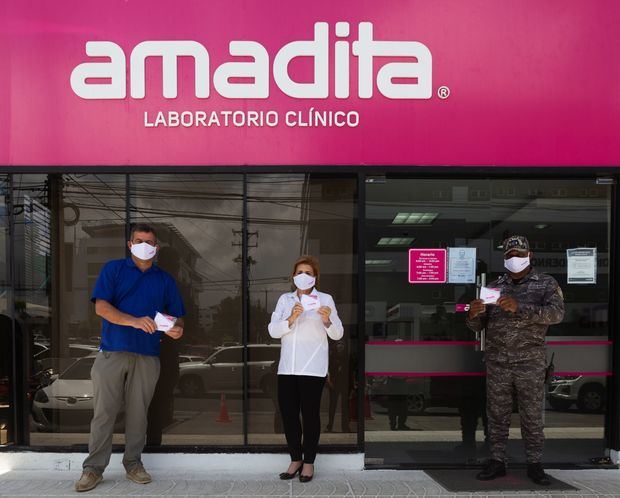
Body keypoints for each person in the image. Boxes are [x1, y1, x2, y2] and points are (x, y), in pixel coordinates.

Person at [75, 224, 185, 493]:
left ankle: (133, 464)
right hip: (113, 350)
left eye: (149, 242)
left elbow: (178, 321)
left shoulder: (165, 280)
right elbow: (101, 307)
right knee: (104, 414)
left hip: (148, 356)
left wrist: (175, 329)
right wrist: (134, 321)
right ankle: (92, 469)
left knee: (139, 415)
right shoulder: (114, 269)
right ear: (130, 244)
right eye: (139, 240)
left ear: (156, 248)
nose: (144, 245)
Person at [466, 235, 564, 486]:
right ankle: (497, 462)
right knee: (496, 415)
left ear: (529, 255)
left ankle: (535, 464)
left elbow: (556, 315)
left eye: (519, 254)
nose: (514, 259)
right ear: (504, 258)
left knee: (531, 416)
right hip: (498, 361)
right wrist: (473, 315)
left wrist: (519, 307)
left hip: (529, 363)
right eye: (510, 255)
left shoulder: (545, 284)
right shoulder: (494, 286)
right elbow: (480, 325)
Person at [268, 255, 344, 483]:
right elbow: (273, 331)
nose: (303, 276)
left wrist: (328, 320)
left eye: (308, 273)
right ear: (293, 277)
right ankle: (295, 459)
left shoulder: (326, 299)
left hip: (313, 369)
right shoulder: (285, 300)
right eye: (299, 272)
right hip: (287, 369)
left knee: (310, 416)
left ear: (315, 277)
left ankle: (309, 462)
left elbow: (338, 334)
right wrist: (291, 317)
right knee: (289, 415)